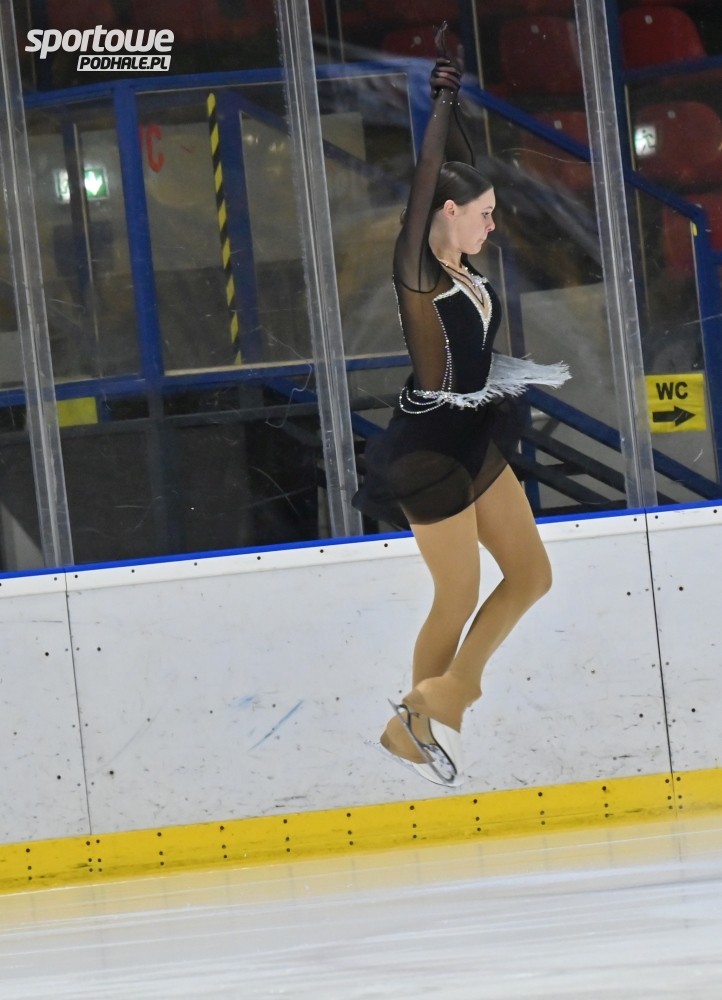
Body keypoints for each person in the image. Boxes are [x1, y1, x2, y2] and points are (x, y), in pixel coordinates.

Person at [352, 26, 570, 786]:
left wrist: (456, 96)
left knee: (531, 575)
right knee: (458, 592)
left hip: (469, 432)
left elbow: (455, 172)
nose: (492, 224)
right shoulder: (420, 271)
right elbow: (426, 184)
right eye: (483, 213)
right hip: (427, 448)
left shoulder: (463, 262)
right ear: (448, 212)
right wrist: (437, 108)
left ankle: (438, 700)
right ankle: (420, 721)